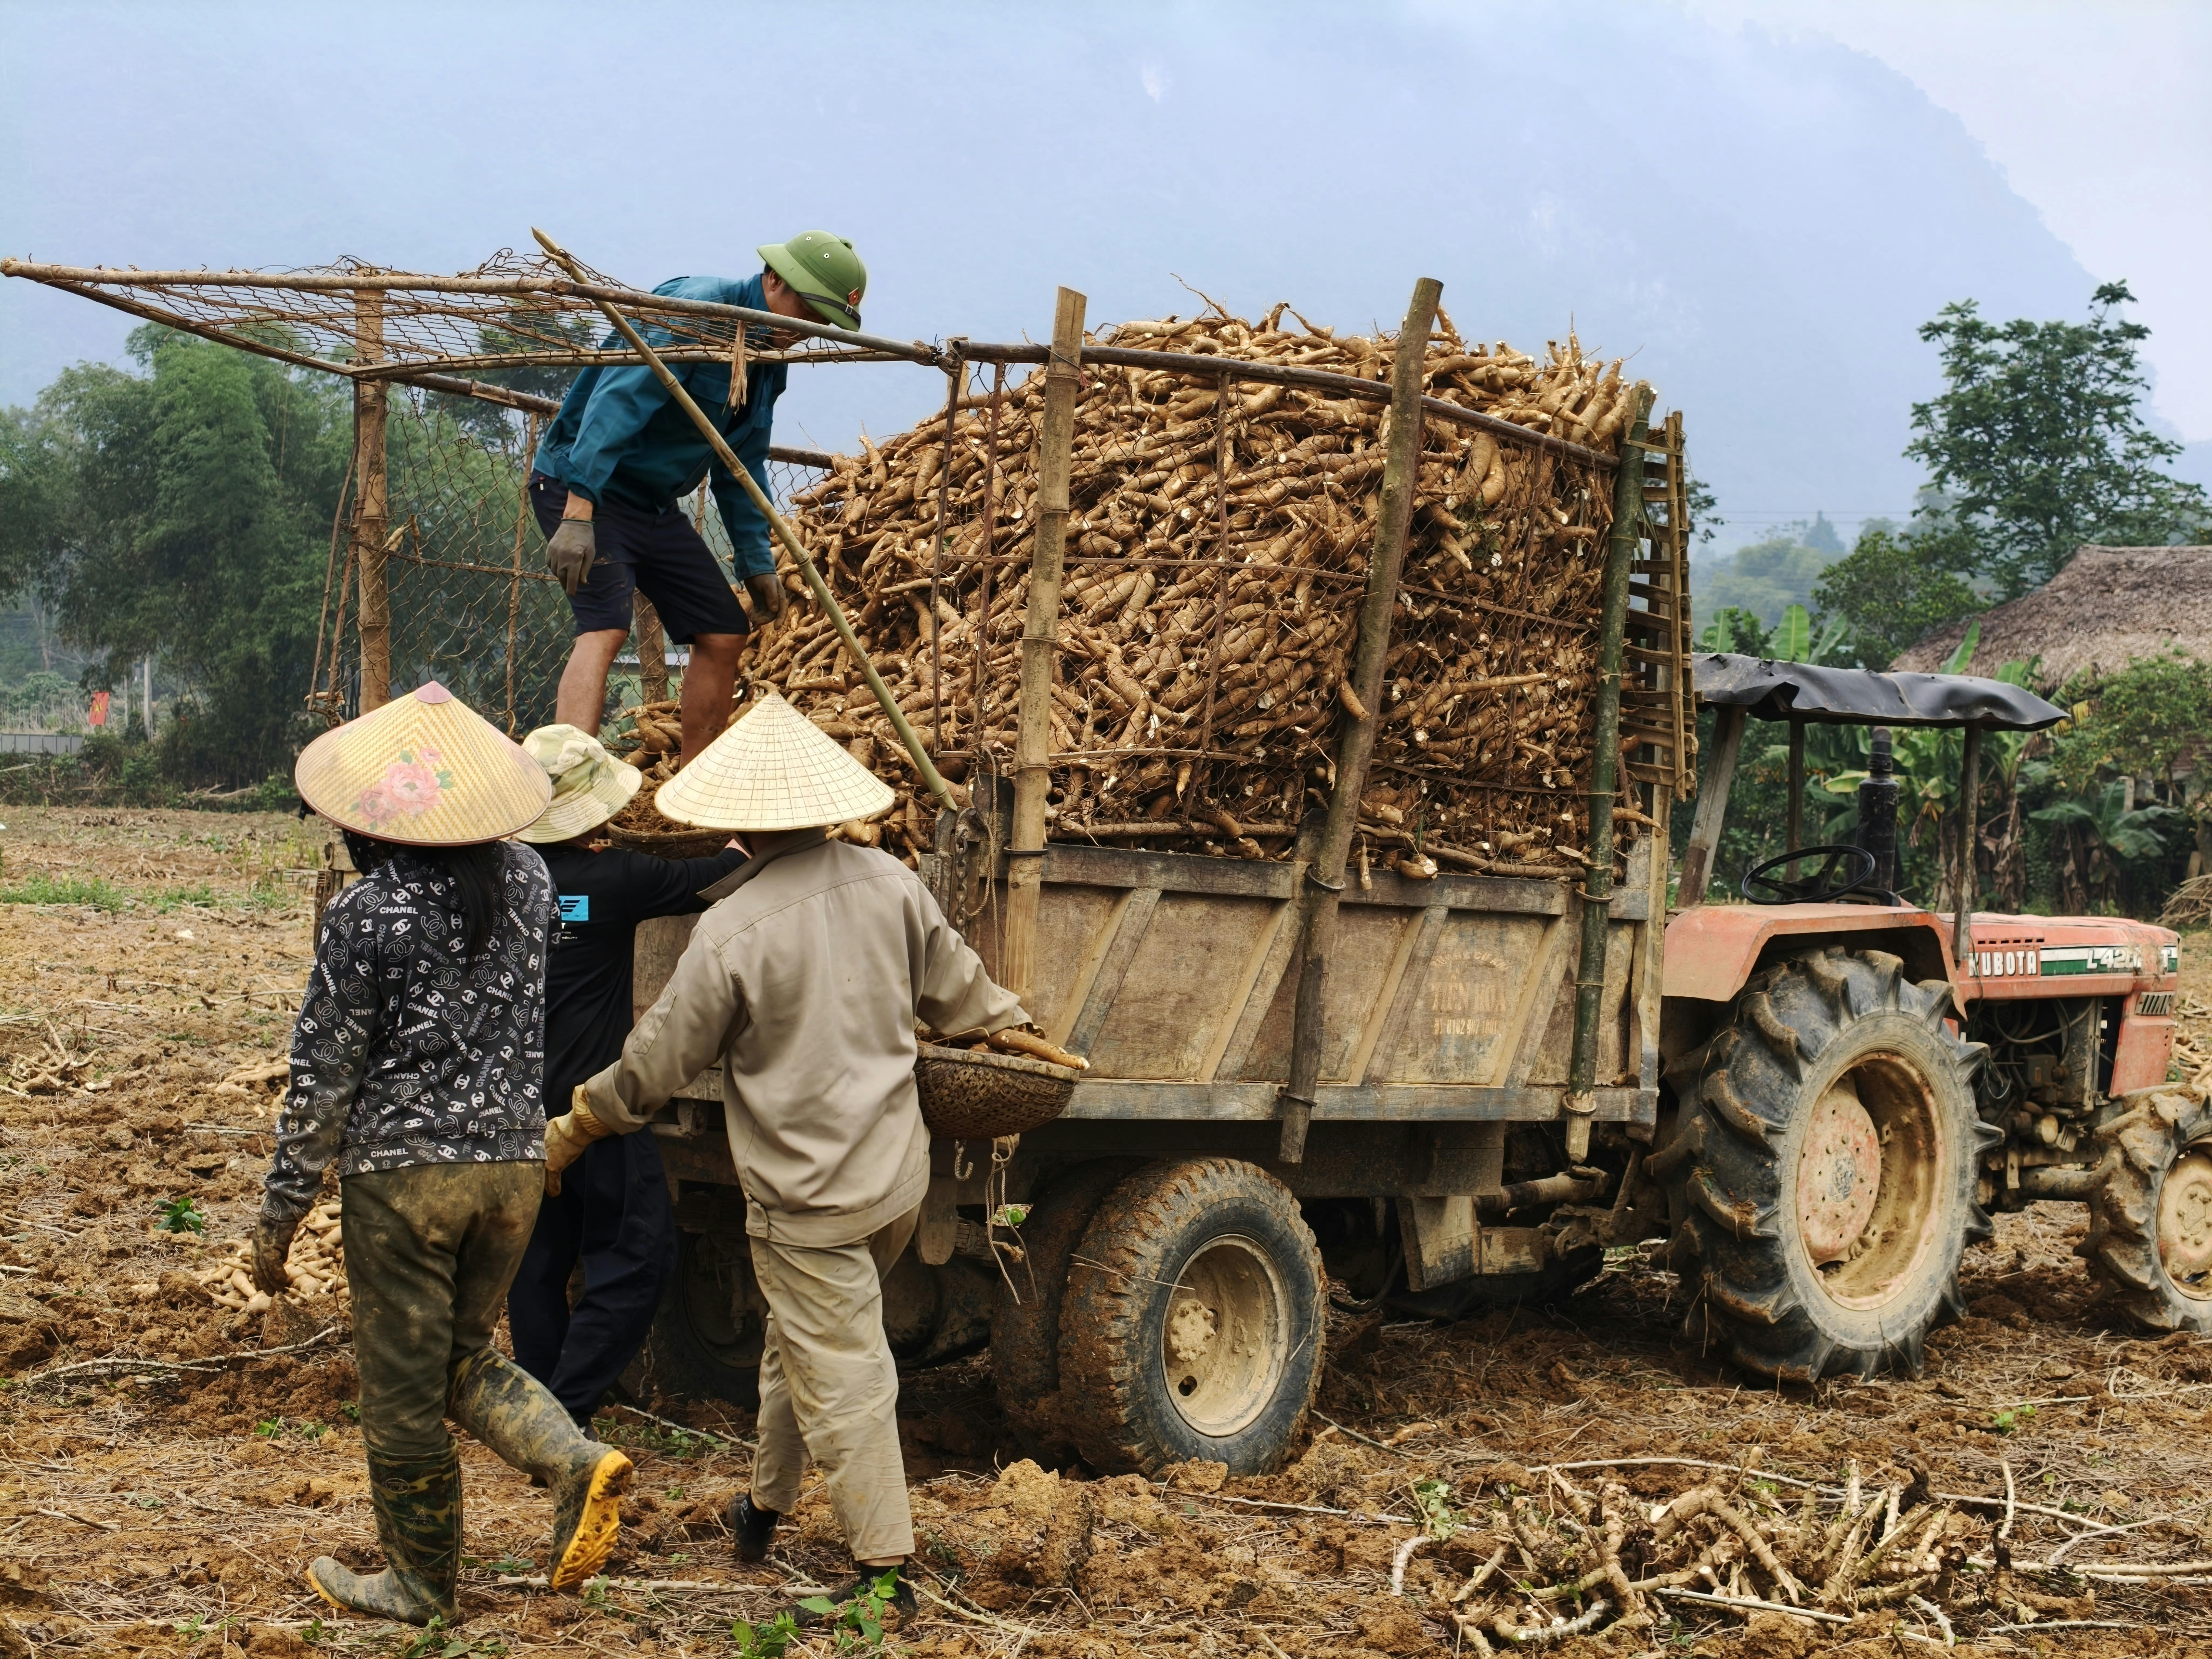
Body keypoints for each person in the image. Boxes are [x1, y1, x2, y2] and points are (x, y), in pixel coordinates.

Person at [539, 693, 1029, 1624]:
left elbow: (654, 1068)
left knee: (844, 1376)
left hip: (810, 1196)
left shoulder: (734, 927)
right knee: (798, 1344)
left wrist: (578, 1122)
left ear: (735, 821)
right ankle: (761, 1509)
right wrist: (1017, 1026)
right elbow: (966, 995)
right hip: (892, 1179)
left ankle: (887, 1570)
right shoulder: (890, 881)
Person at [251, 683, 633, 1627]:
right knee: (461, 1356)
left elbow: (323, 1078)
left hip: (404, 1178)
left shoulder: (363, 915)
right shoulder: (534, 883)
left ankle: (420, 1583)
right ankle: (575, 1459)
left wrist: (279, 1218)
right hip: (511, 1167)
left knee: (401, 1395)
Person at [531, 231, 869, 766]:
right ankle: (569, 793)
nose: (805, 330)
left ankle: (693, 793)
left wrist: (756, 562)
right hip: (584, 487)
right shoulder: (696, 310)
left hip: (650, 503)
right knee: (606, 626)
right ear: (774, 279)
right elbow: (613, 406)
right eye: (805, 309)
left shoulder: (769, 358)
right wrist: (578, 512)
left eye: (820, 322)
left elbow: (743, 462)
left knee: (722, 632)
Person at [506, 724, 750, 1427]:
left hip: (519, 1100)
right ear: (593, 812)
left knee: (539, 1258)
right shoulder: (613, 880)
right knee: (639, 1253)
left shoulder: (505, 877)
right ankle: (568, 1408)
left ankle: (539, 1401)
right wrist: (745, 836)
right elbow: (718, 872)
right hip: (596, 1109)